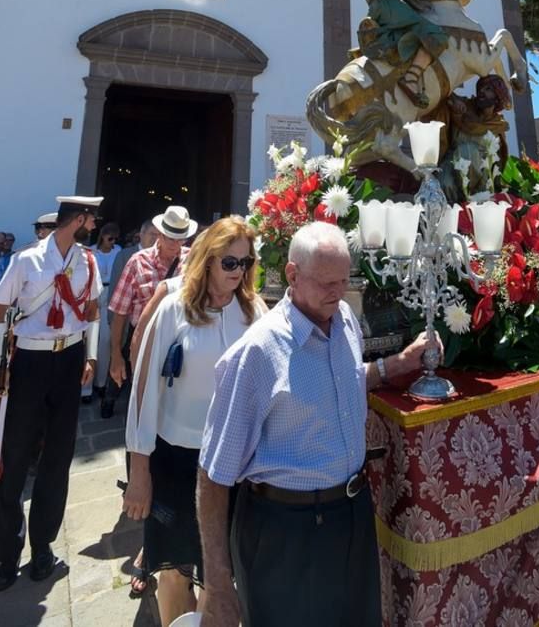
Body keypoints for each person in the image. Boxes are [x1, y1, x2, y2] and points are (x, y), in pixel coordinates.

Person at [197, 220, 434, 627]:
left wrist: (395, 365)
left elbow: (342, 380)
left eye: (343, 281)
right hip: (284, 531)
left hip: (351, 516)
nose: (337, 292)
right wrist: (218, 583)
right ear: (292, 274)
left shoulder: (342, 318)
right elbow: (213, 475)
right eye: (326, 282)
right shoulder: (257, 354)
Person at [123, 216, 266, 626]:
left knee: (218, 571)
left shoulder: (253, 310)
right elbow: (144, 391)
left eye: (246, 262)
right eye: (229, 263)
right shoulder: (174, 308)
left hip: (231, 462)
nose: (238, 273)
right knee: (173, 568)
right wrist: (139, 471)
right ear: (206, 261)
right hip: (175, 461)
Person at [0, 195, 102, 591]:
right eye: (90, 219)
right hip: (29, 362)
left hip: (68, 359)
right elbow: (0, 306)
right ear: (77, 219)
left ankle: (43, 546)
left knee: (57, 458)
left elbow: (91, 311)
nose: (93, 226)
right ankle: (6, 552)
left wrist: (90, 356)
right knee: (14, 455)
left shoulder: (87, 261)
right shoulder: (27, 260)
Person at [107, 206, 194, 403]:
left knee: (174, 402)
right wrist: (116, 355)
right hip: (144, 340)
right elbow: (120, 312)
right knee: (142, 399)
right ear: (160, 234)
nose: (176, 244)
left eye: (181, 239)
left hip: (180, 342)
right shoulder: (137, 261)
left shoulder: (192, 259)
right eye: (171, 238)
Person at [81, 222, 121, 401]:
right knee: (89, 340)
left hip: (110, 292)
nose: (112, 241)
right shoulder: (90, 251)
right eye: (110, 237)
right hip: (93, 295)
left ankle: (101, 383)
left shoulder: (118, 251)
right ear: (102, 235)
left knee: (105, 341)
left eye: (115, 238)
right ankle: (85, 388)